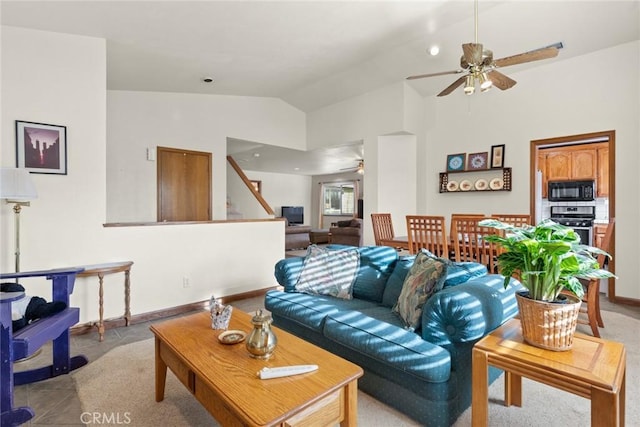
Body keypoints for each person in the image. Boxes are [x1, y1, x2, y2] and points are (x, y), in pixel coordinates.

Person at [0, 282, 66, 331]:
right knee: (17, 323)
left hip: (31, 302)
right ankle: (51, 307)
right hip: (26, 312)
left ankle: (52, 307)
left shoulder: (10, 291)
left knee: (40, 309)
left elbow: (20, 289)